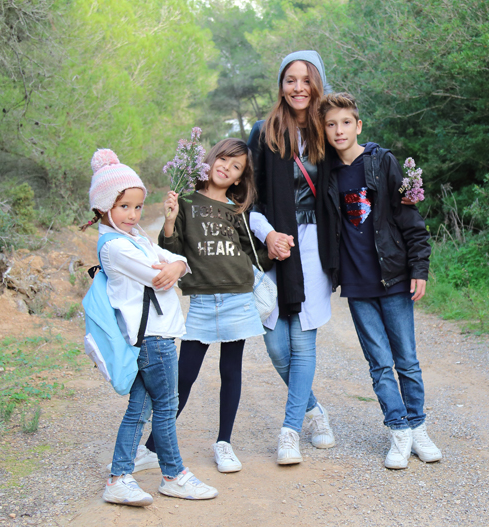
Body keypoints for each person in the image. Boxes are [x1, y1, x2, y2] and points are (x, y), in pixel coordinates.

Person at [83, 148, 218, 505]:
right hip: (152, 339)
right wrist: (174, 267)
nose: (133, 214)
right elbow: (158, 275)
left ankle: (118, 479)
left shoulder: (136, 238)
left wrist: (178, 264)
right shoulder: (115, 246)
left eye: (138, 206)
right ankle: (174, 476)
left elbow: (173, 259)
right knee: (167, 406)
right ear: (103, 207)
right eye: (124, 206)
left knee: (140, 409)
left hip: (152, 336)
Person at [320, 92, 442, 469]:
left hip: (394, 278)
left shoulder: (382, 161)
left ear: (358, 125)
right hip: (357, 284)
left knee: (407, 360)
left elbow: (410, 218)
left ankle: (418, 427)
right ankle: (398, 430)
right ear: (323, 130)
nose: (339, 130)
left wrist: (419, 268)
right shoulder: (325, 173)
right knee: (379, 363)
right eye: (330, 124)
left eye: (345, 122)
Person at [134, 138, 269, 475]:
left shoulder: (236, 210)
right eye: (223, 159)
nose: (226, 168)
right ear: (210, 160)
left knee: (231, 370)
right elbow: (172, 250)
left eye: (236, 167)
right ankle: (151, 448)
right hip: (203, 301)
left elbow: (250, 254)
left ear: (239, 178)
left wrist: (276, 249)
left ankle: (224, 443)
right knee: (185, 374)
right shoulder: (186, 202)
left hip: (237, 297)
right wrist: (169, 220)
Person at [247, 50, 338, 464]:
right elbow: (247, 197)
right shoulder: (263, 131)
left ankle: (290, 431)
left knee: (302, 341)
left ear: (317, 84)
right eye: (290, 80)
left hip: (315, 244)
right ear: (281, 86)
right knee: (276, 346)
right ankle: (314, 410)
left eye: (306, 80)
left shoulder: (328, 129)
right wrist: (267, 235)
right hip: (273, 241)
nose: (298, 88)